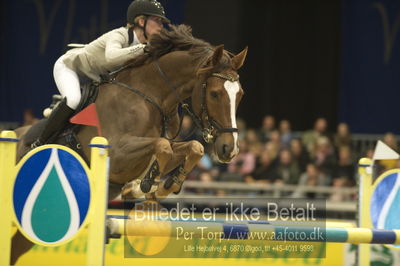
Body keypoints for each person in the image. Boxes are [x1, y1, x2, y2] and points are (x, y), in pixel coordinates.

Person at [31, 0, 170, 147]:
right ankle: (40, 142)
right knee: (73, 100)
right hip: (70, 67)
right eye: (157, 21)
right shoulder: (120, 35)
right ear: (141, 21)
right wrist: (144, 48)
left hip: (94, 78)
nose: (161, 26)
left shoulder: (141, 46)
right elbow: (111, 57)